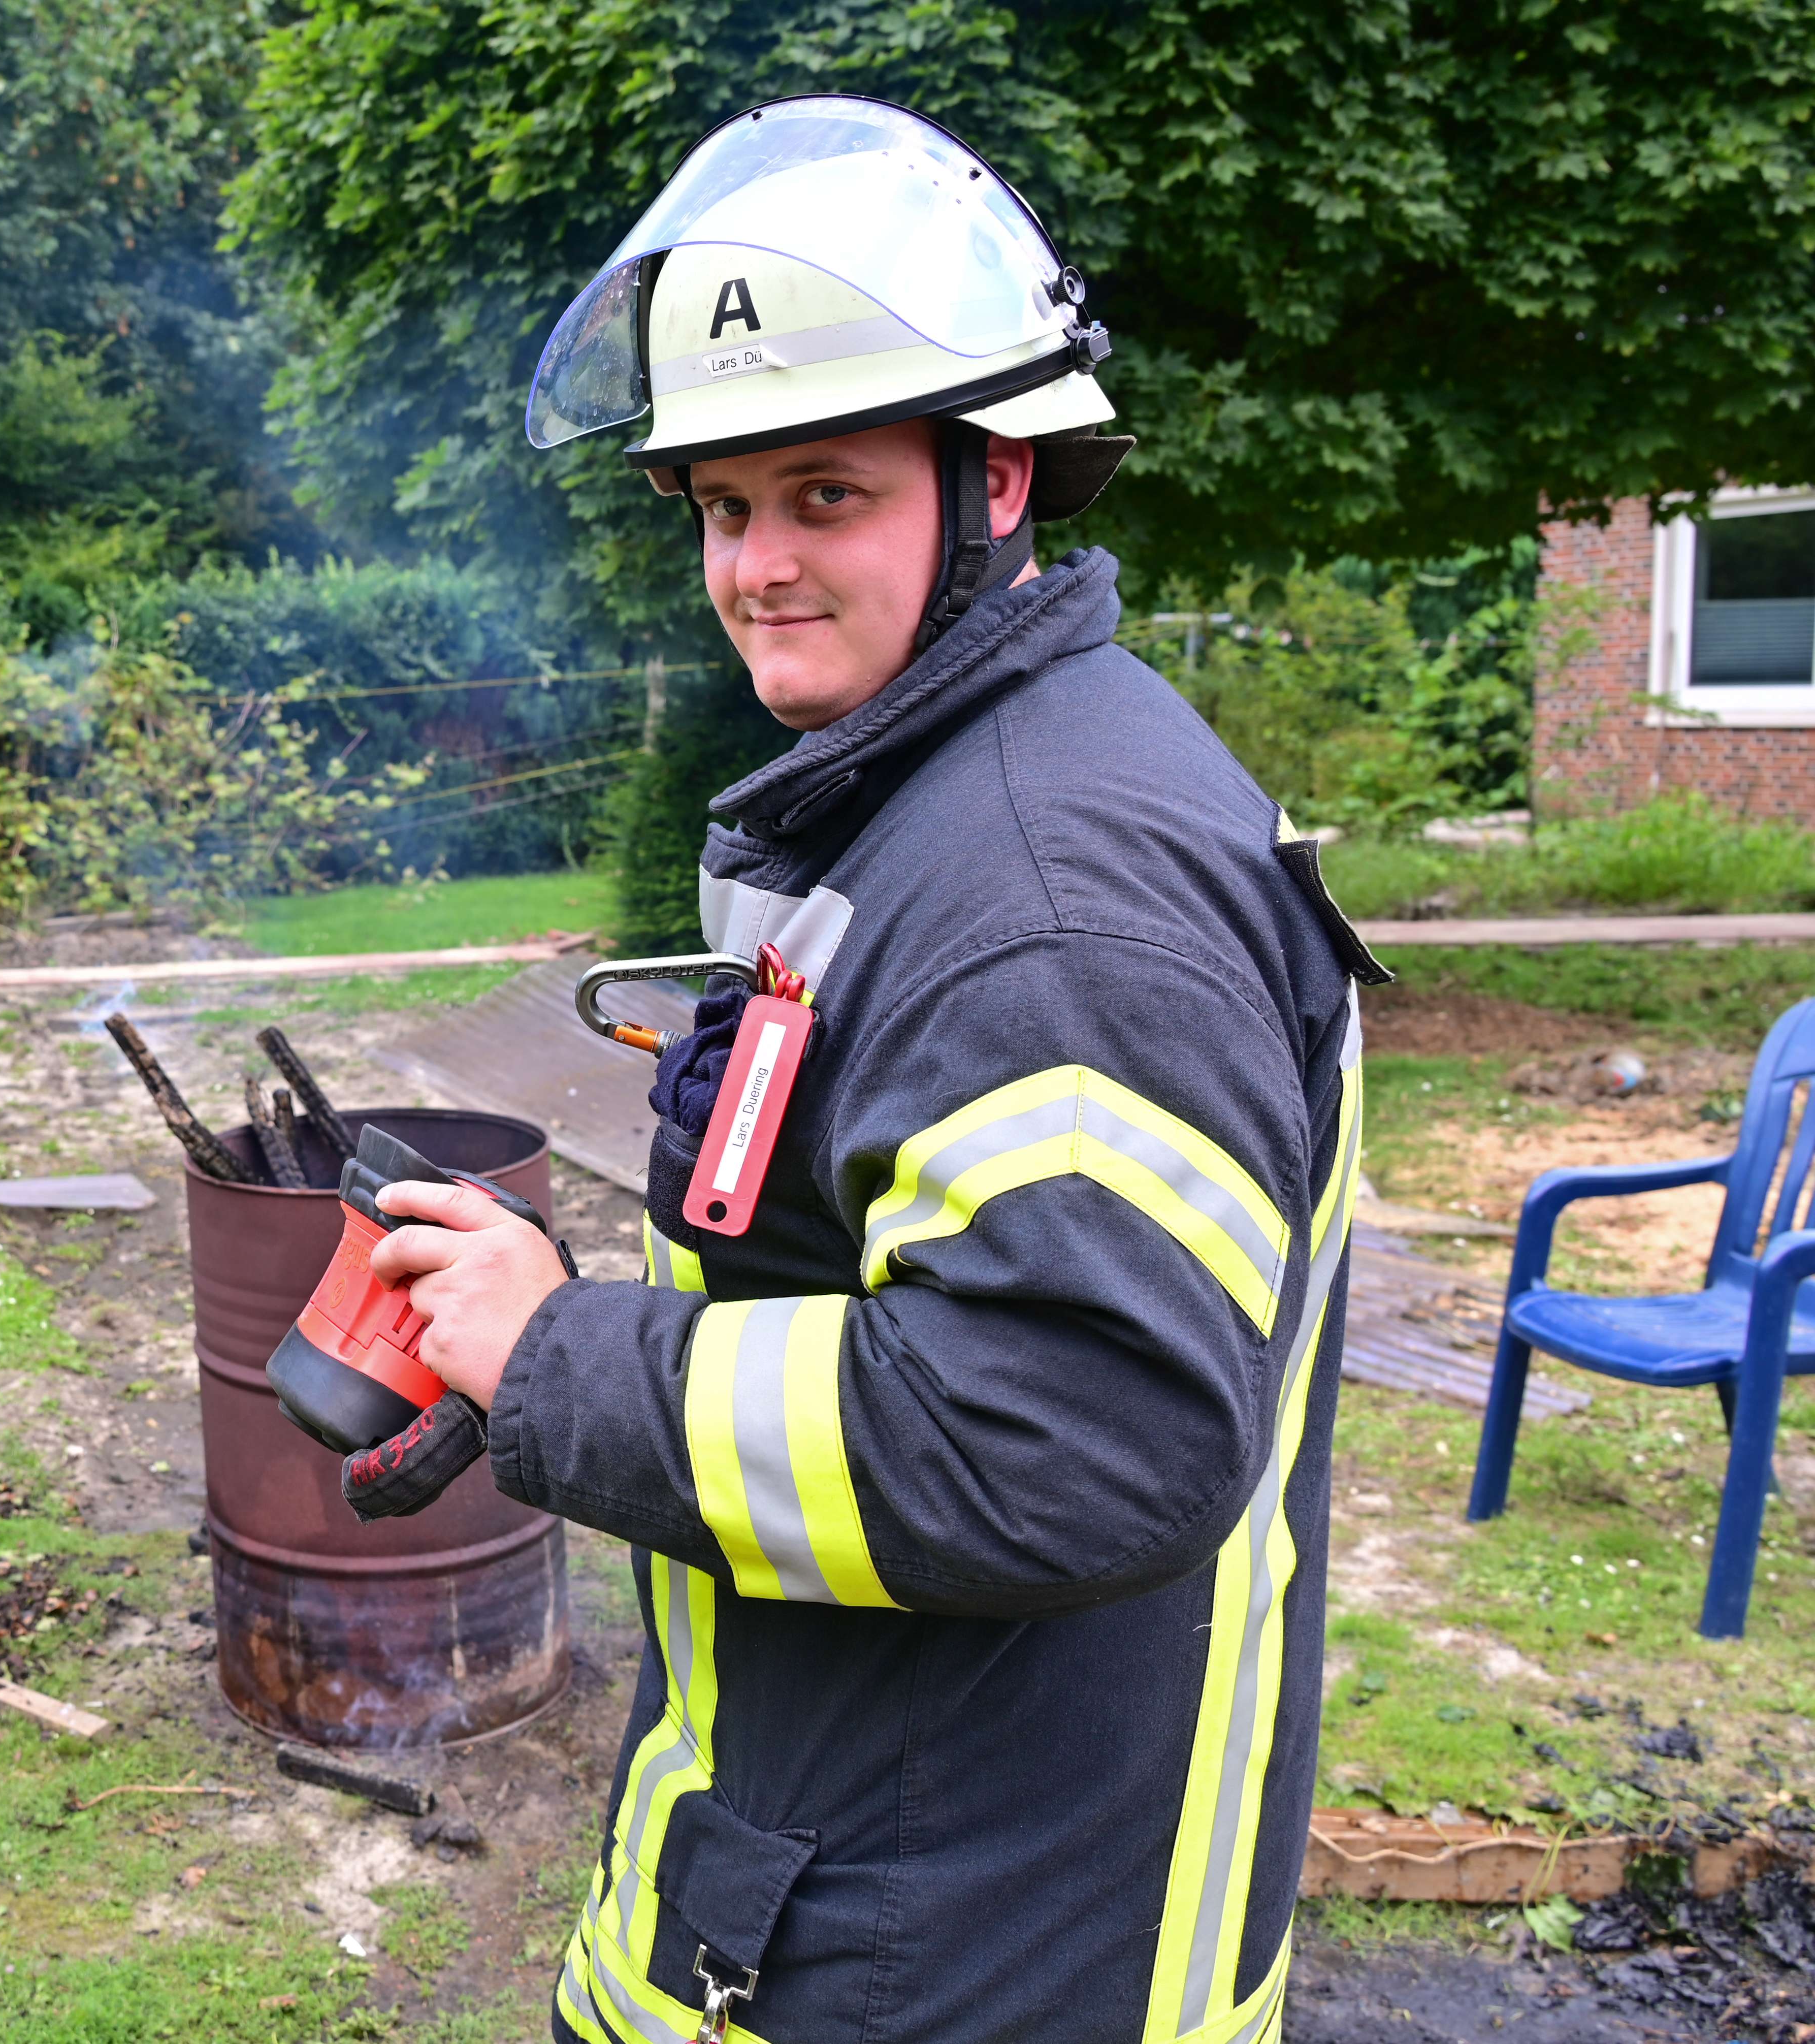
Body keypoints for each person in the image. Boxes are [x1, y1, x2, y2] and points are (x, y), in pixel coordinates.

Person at [351, 100, 1384, 2043]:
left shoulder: (1051, 900)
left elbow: (1069, 1439)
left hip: (962, 1957)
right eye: (722, 508)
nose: (755, 565)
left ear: (997, 479)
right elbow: (887, 1298)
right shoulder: (947, 802)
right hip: (876, 1862)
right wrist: (533, 1364)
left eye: (824, 494)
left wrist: (564, 1358)